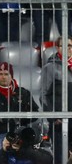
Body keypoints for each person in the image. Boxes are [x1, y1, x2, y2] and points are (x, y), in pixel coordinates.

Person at [0, 62, 39, 163]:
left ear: (11, 75)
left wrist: (20, 118)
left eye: (6, 74)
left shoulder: (23, 93)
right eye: (0, 74)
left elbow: (34, 113)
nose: (3, 77)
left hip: (19, 133)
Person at [41, 36, 72, 164]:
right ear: (58, 48)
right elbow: (43, 95)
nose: (67, 49)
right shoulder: (50, 67)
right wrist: (54, 117)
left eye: (70, 46)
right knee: (61, 158)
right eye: (63, 46)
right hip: (60, 122)